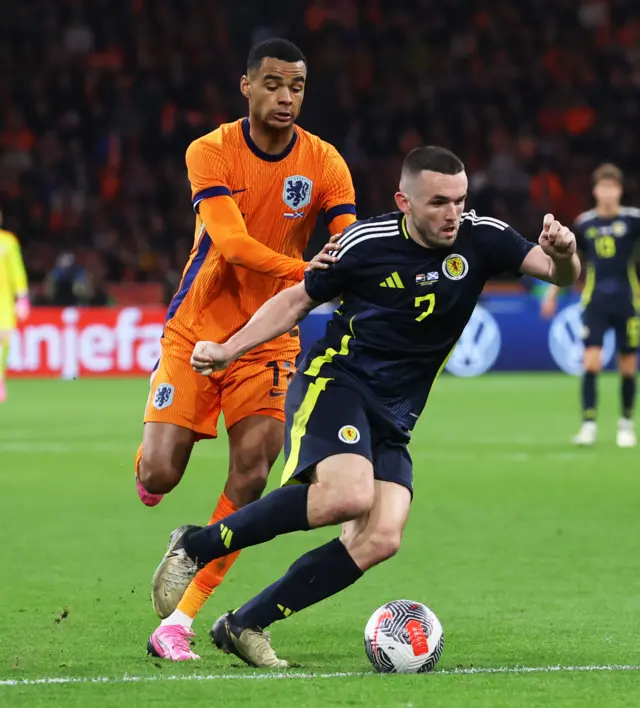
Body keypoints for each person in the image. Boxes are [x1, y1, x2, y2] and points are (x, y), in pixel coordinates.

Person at [150, 145, 580, 667]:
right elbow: (294, 301)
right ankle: (197, 545)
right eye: (439, 202)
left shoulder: (482, 235)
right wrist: (228, 348)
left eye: (460, 201)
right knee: (346, 496)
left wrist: (562, 252)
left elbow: (561, 276)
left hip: (398, 414)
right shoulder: (363, 243)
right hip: (338, 382)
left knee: (381, 536)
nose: (453, 214)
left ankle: (245, 624)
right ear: (405, 201)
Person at [143, 37, 356, 660]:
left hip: (269, 338)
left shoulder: (326, 163)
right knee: (160, 471)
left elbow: (349, 245)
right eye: (272, 84)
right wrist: (309, 271)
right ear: (246, 86)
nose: (285, 97)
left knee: (254, 473)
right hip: (198, 328)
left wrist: (349, 277)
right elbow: (232, 245)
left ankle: (180, 619)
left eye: (296, 87)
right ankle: (153, 473)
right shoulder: (210, 151)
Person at [541, 164, 640, 447]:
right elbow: (568, 261)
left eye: (613, 187)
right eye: (603, 187)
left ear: (620, 190)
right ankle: (588, 424)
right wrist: (551, 295)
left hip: (627, 301)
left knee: (628, 368)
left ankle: (625, 424)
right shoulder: (585, 223)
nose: (608, 193)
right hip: (595, 301)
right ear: (596, 190)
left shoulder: (633, 221)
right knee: (591, 364)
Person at [0, 214, 29, 403]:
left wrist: (22, 298)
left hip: (3, 302)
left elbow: (17, 270)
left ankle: (0, 378)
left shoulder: (8, 242)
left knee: (4, 339)